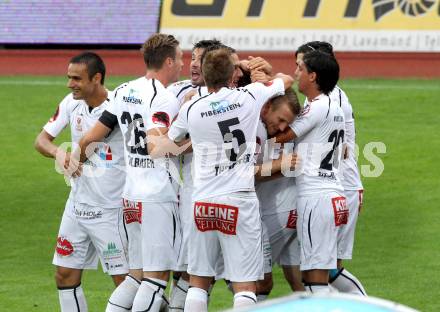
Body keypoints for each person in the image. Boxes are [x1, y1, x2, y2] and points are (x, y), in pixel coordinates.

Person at [165, 48, 294, 310]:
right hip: (239, 200)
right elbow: (287, 80)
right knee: (246, 286)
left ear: (204, 74)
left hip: (203, 200)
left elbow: (168, 140)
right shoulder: (250, 96)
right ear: (233, 74)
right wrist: (249, 68)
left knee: (199, 281)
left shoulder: (192, 107)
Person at [76, 33, 184, 312]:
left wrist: (76, 159)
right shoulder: (163, 98)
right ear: (169, 61)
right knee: (157, 278)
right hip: (157, 195)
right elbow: (155, 146)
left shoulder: (123, 90)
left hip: (130, 196)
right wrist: (190, 143)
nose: (183, 64)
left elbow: (92, 136)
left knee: (136, 276)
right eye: (181, 58)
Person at [34, 52, 128, 312]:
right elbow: (41, 141)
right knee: (64, 274)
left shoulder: (117, 107)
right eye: (68, 77)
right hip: (76, 206)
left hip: (111, 210)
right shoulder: (70, 103)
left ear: (96, 78)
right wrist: (58, 152)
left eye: (76, 78)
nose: (70, 84)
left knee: (124, 282)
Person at [294, 41, 366, 295]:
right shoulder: (328, 96)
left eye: (301, 65)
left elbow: (340, 148)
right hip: (334, 186)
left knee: (326, 270)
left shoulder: (326, 99)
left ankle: (365, 305)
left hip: (337, 187)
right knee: (317, 269)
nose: (297, 71)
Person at [276, 50, 345, 293]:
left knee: (315, 279)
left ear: (313, 76)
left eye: (300, 69)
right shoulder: (333, 106)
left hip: (317, 197)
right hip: (331, 193)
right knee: (316, 275)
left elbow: (282, 136)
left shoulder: (316, 107)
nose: (296, 73)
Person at [166, 38, 222, 310]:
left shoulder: (219, 97)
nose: (194, 64)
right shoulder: (177, 92)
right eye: (192, 58)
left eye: (201, 59)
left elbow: (169, 144)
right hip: (182, 192)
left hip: (203, 192)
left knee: (197, 271)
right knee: (186, 269)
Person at [254, 89, 305, 300]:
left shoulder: (263, 131)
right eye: (281, 119)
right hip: (290, 209)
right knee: (300, 280)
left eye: (287, 123)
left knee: (256, 281)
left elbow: (243, 176)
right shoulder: (257, 127)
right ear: (267, 108)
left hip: (278, 213)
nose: (283, 127)